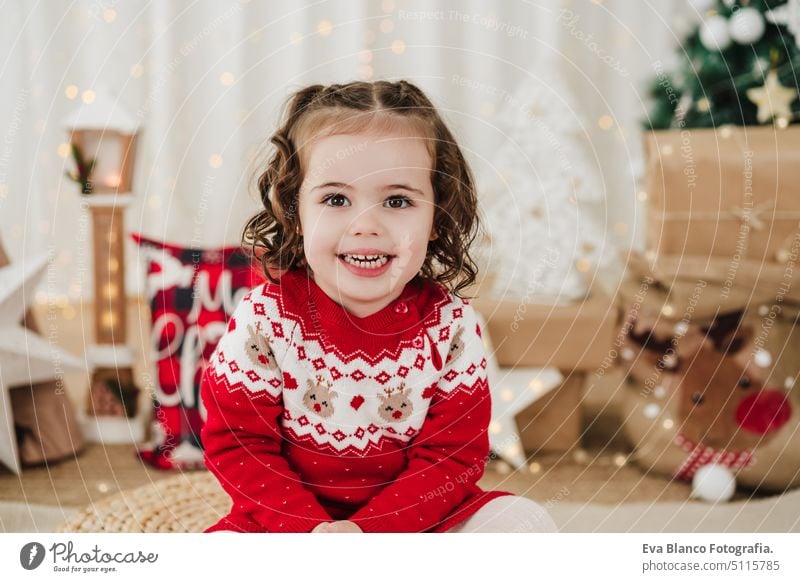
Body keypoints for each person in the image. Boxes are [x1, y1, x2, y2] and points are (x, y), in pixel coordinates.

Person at [200, 80, 558, 533]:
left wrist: (371, 538)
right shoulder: (264, 320)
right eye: (335, 199)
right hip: (287, 527)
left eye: (397, 200)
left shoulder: (453, 328)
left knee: (525, 525)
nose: (365, 225)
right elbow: (240, 447)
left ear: (436, 216)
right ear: (296, 211)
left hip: (420, 524)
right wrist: (313, 534)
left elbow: (451, 459)